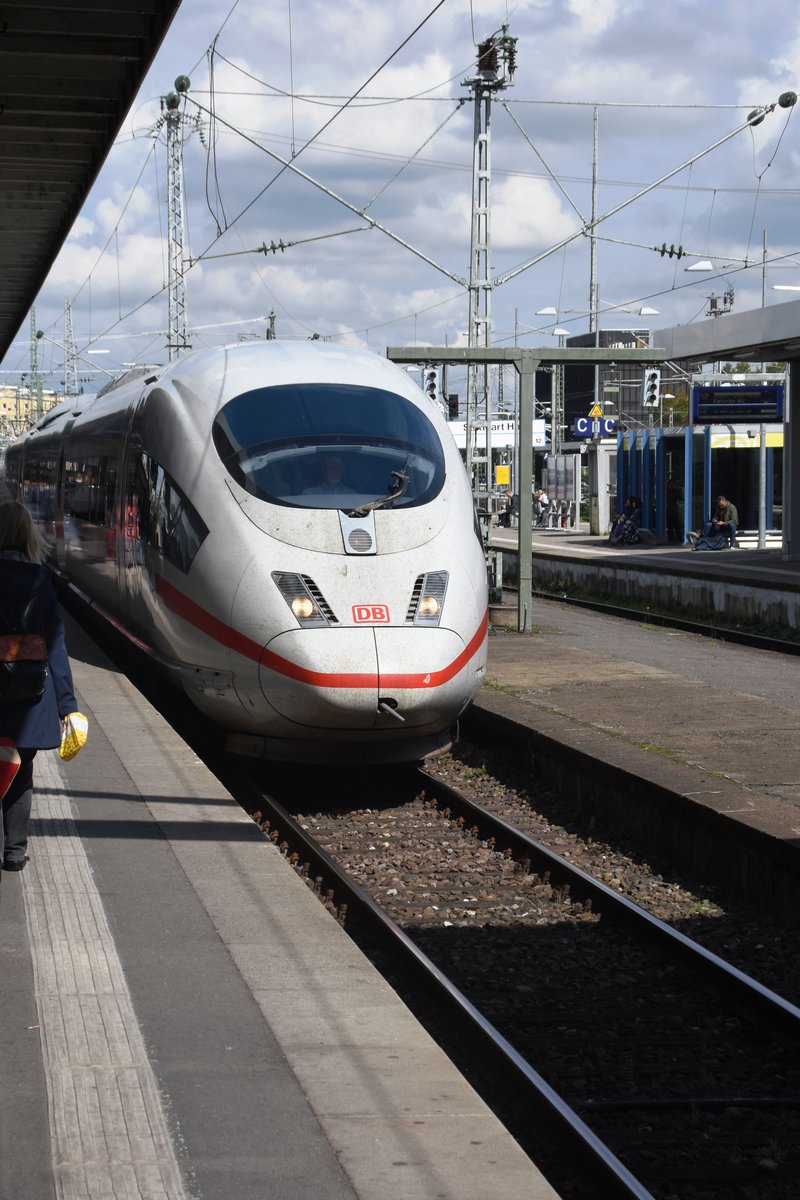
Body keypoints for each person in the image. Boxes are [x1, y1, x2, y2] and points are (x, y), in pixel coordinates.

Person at [0, 499, 77, 873]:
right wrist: (68, 707)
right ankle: (14, 853)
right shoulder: (41, 583)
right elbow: (57, 649)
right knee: (20, 772)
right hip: (30, 696)